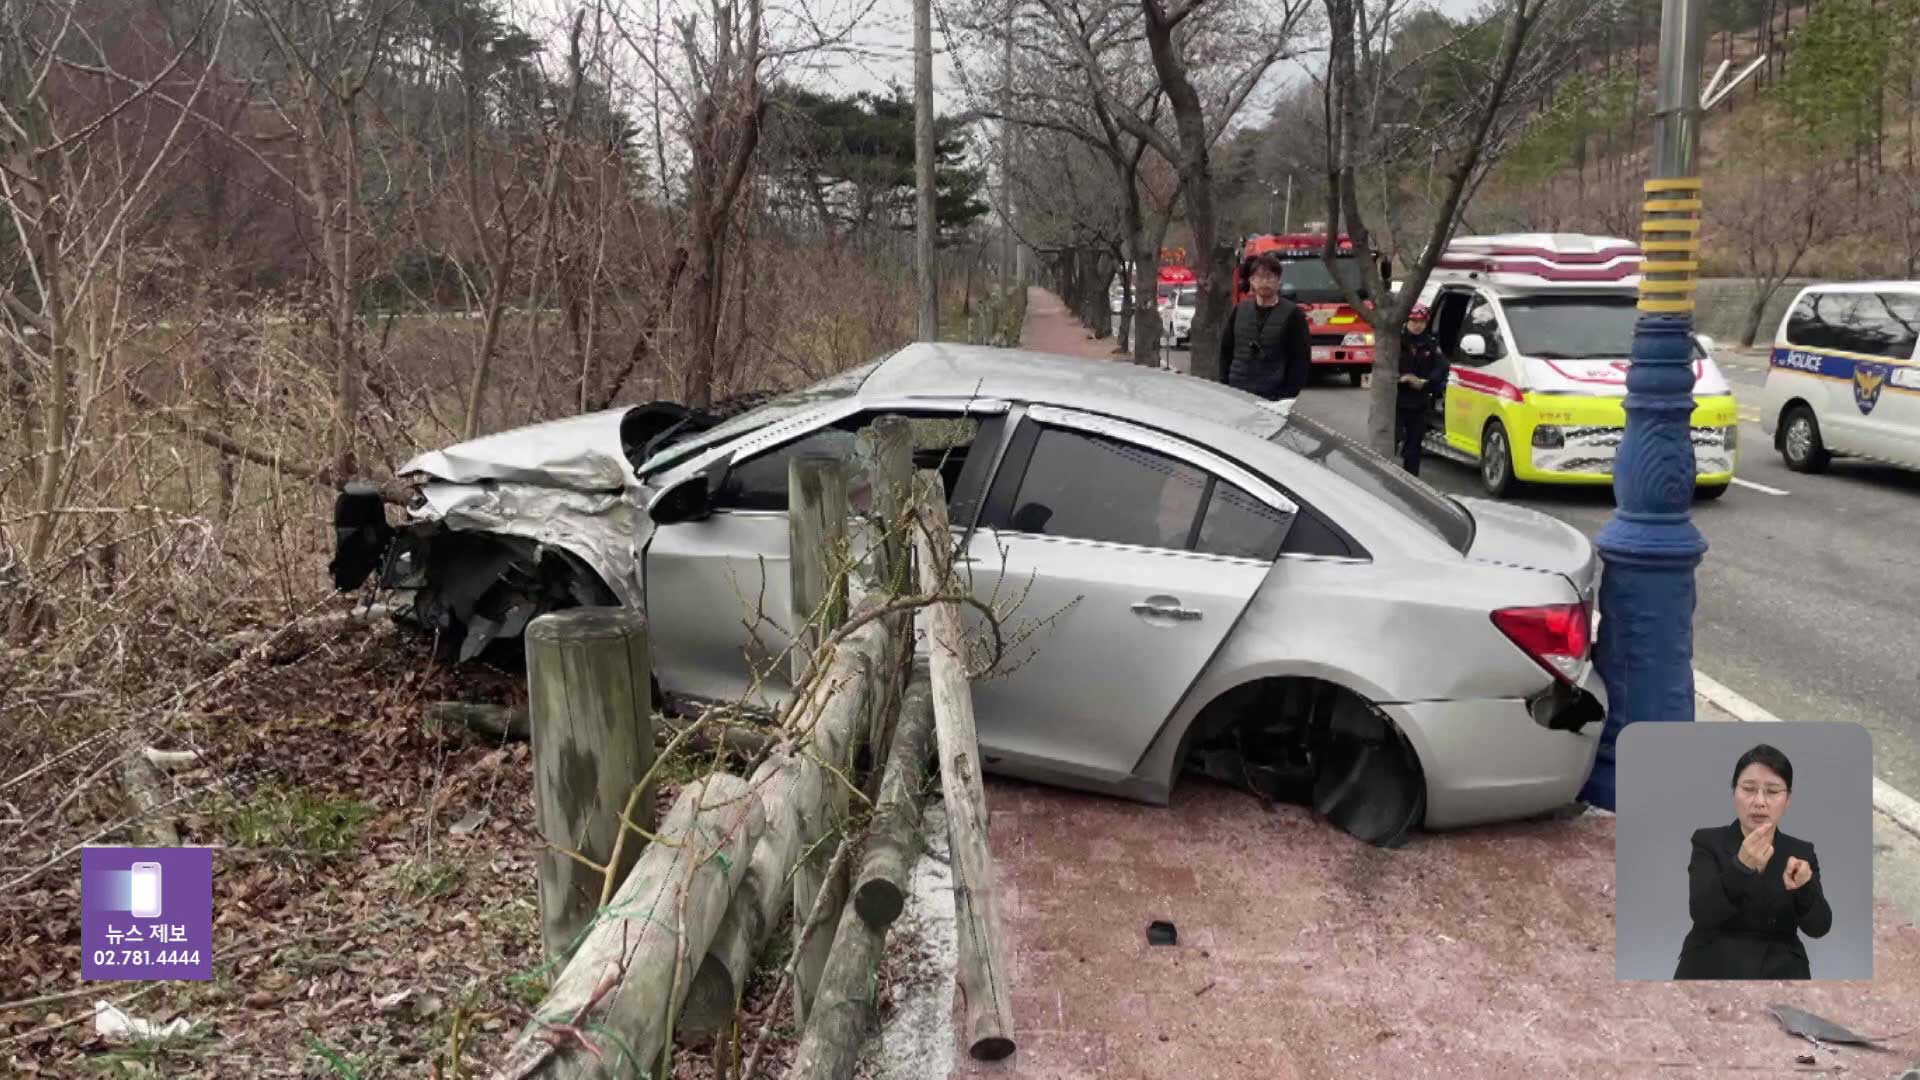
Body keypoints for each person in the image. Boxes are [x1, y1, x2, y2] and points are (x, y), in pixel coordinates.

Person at [1673, 744, 1833, 980]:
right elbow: (1702, 912)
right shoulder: (1708, 841)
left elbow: (1819, 927)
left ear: (1787, 798)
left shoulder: (1800, 852)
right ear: (1734, 791)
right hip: (1711, 966)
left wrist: (1804, 888)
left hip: (1780, 971)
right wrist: (1741, 866)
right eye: (1749, 789)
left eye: (1772, 791)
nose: (1759, 802)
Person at [1216, 252, 1311, 402]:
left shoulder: (1293, 314)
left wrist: (1287, 394)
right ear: (1252, 281)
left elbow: (1300, 359)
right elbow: (1226, 350)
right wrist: (1225, 383)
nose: (1264, 282)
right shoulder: (1240, 310)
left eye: (1270, 277)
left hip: (1274, 396)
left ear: (1278, 281)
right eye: (1259, 277)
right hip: (1237, 392)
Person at [1394, 305, 1448, 476]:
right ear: (1407, 321)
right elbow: (1383, 367)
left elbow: (1441, 367)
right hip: (1396, 401)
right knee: (1391, 441)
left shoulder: (1430, 343)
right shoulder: (1397, 341)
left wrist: (1426, 382)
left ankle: (1411, 481)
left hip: (1419, 402)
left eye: (1421, 322)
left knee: (1414, 447)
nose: (1417, 325)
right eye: (1413, 321)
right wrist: (1402, 378)